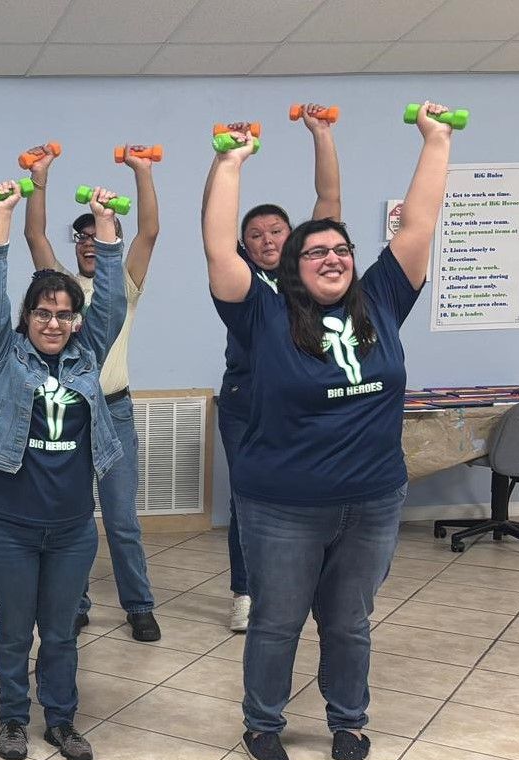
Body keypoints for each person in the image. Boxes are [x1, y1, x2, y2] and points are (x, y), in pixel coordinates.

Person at [202, 104, 453, 760]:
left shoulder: (380, 299)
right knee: (276, 621)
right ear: (290, 267)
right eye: (315, 251)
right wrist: (229, 163)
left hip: (371, 500)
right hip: (281, 504)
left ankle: (348, 720)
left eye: (340, 248)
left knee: (348, 623)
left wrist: (436, 140)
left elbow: (419, 222)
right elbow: (217, 246)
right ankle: (261, 722)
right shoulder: (261, 313)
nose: (332, 257)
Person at [0, 181, 126, 760]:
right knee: (15, 630)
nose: (54, 323)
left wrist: (106, 225)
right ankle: (14, 718)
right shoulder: (5, 354)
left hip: (70, 529)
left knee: (61, 632)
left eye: (64, 315)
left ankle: (60, 720)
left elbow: (111, 298)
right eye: (43, 313)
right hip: (8, 526)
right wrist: (3, 218)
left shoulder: (90, 355)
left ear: (77, 321)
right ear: (27, 318)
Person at [24, 142, 162, 642]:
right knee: (74, 517)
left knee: (122, 520)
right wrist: (40, 178)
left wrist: (141, 171)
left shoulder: (123, 283)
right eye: (80, 235)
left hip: (116, 412)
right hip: (69, 415)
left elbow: (149, 230)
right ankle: (76, 603)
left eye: (97, 233)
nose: (88, 241)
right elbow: (33, 233)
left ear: (110, 237)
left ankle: (139, 605)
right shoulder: (59, 288)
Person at [218, 105, 341, 632]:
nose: (267, 240)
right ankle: (246, 590)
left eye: (277, 232)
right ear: (245, 245)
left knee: (312, 492)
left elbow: (329, 202)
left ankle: (309, 584)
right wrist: (227, 160)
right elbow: (214, 224)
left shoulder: (306, 275)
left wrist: (321, 134)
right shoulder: (241, 279)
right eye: (257, 235)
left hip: (308, 400)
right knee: (249, 496)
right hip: (247, 402)